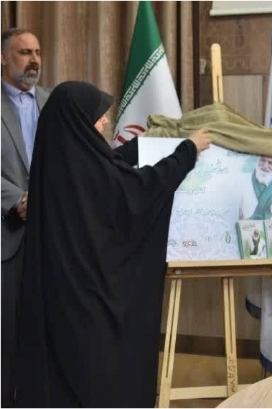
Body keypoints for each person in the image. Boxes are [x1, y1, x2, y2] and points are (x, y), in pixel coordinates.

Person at [13, 81, 211, 408]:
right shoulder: (90, 171)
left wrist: (143, 144)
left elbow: (107, 164)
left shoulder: (56, 163)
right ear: (79, 122)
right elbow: (141, 188)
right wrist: (187, 150)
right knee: (94, 376)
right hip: (89, 300)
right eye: (98, 116)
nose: (105, 121)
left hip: (60, 297)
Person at [0, 27, 50, 407]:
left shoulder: (52, 102)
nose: (34, 60)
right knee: (7, 339)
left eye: (37, 52)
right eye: (24, 53)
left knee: (46, 333)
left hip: (52, 238)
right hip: (8, 235)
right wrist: (16, 200)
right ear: (3, 59)